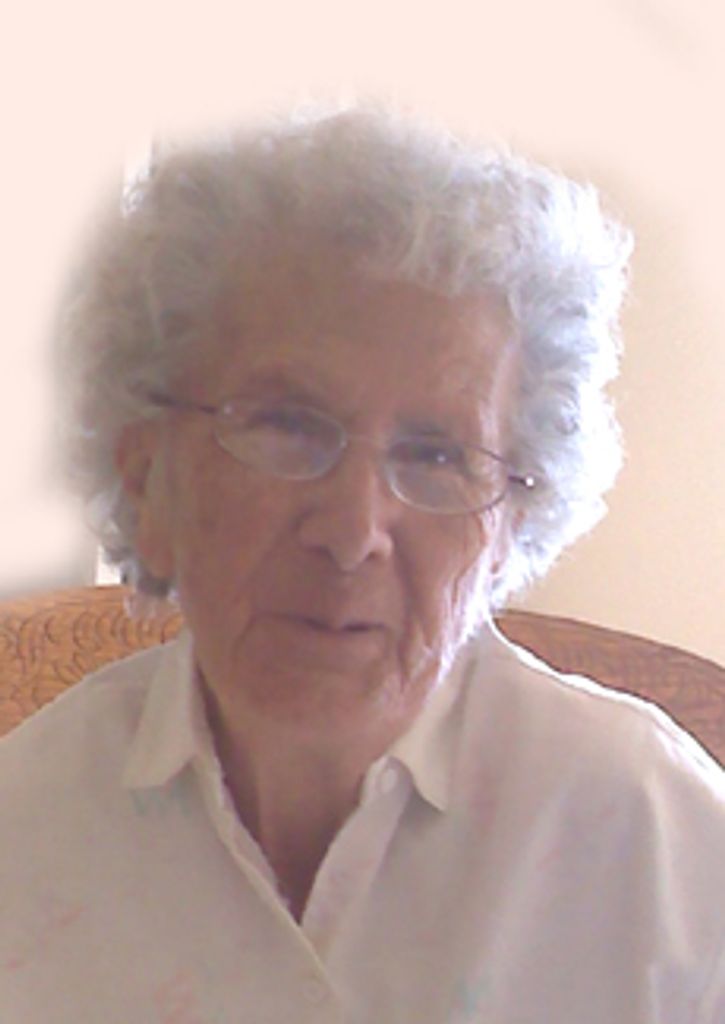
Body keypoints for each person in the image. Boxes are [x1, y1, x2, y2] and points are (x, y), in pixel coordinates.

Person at [1, 103, 723, 1023]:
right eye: (286, 426)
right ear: (148, 482)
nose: (352, 531)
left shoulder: (662, 845)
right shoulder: (24, 832)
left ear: (510, 524)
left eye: (436, 454)